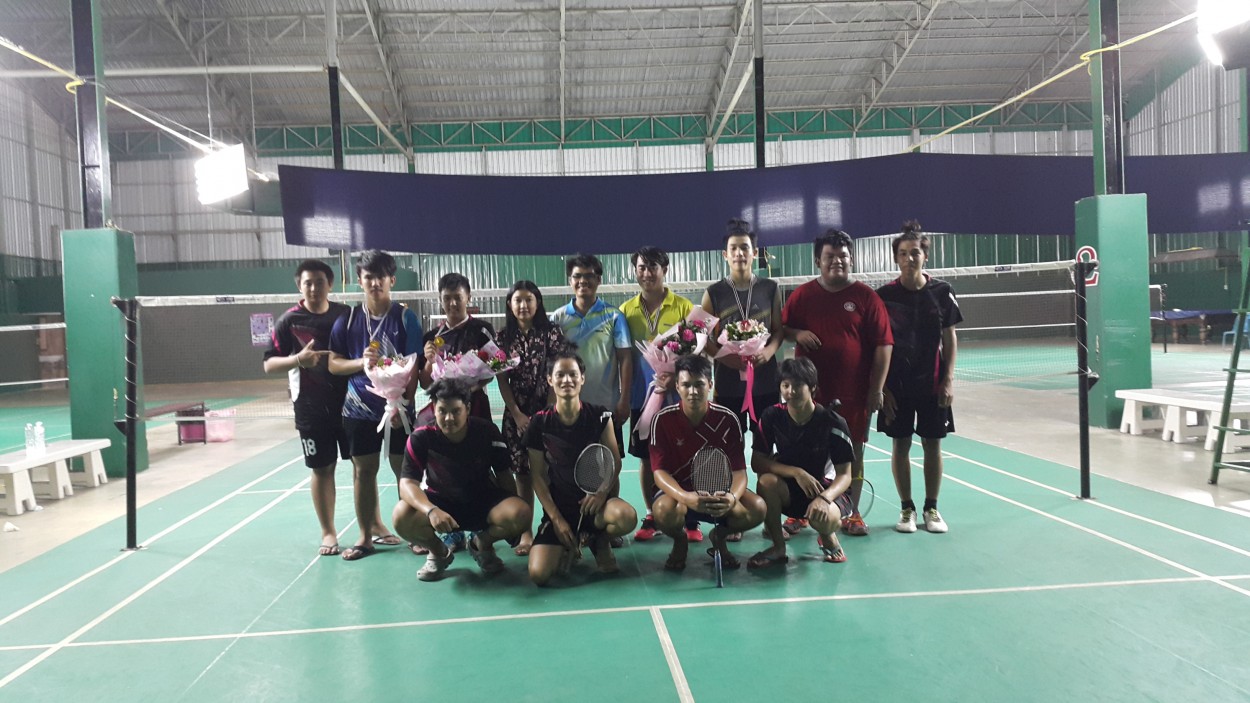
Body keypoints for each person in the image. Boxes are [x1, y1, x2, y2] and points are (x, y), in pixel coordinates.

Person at [781, 230, 892, 536]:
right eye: (829, 256)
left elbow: (884, 345)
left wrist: (876, 389)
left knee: (853, 453)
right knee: (804, 451)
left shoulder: (867, 298)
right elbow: (783, 329)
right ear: (818, 260)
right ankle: (799, 512)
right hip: (808, 396)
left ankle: (852, 513)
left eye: (843, 256)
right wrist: (797, 334)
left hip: (854, 393)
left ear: (851, 259)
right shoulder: (802, 296)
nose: (837, 261)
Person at [328, 249, 423, 561]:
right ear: (360, 280)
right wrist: (360, 362)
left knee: (404, 471)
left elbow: (414, 365)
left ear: (391, 280)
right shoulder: (348, 319)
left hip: (399, 409)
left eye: (381, 277)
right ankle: (366, 537)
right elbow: (333, 364)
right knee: (364, 471)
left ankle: (414, 533)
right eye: (368, 277)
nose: (375, 283)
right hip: (358, 408)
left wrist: (402, 403)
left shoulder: (406, 318)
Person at [392, 378, 532, 582]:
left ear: (467, 408)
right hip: (441, 505)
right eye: (442, 411)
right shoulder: (421, 437)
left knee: (521, 512)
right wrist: (431, 511)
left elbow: (504, 475)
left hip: (483, 502)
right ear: (434, 408)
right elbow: (407, 484)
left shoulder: (487, 432)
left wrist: (513, 525)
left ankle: (481, 544)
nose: (449, 418)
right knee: (401, 516)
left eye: (456, 411)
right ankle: (438, 552)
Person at [876, 221, 962, 534]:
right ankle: (906, 509)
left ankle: (931, 508)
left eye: (915, 252)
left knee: (932, 445)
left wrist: (948, 380)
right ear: (896, 258)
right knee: (900, 445)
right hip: (897, 387)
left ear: (925, 256)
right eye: (903, 253)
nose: (909, 258)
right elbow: (878, 345)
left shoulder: (942, 292)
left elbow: (950, 338)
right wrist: (883, 388)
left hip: (932, 384)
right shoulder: (884, 296)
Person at [525, 350, 638, 585]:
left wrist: (601, 493)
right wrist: (556, 519)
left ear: (582, 378)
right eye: (560, 375)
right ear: (550, 380)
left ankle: (599, 540)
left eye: (573, 374)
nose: (567, 380)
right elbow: (537, 476)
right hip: (560, 507)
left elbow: (614, 461)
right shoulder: (539, 422)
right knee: (539, 574)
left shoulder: (599, 416)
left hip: (595, 504)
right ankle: (569, 541)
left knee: (626, 517)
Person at [262, 260, 350, 556]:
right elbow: (269, 364)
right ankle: (328, 532)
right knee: (322, 469)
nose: (313, 288)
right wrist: (298, 359)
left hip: (351, 405)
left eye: (319, 282)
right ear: (299, 285)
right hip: (311, 409)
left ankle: (373, 525)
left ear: (330, 284)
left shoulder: (345, 314)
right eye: (308, 282)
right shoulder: (288, 321)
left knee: (364, 468)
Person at [702, 218, 782, 542]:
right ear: (725, 254)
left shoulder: (771, 288)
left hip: (766, 385)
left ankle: (771, 518)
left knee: (764, 452)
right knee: (729, 452)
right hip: (728, 387)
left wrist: (768, 352)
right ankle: (734, 515)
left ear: (754, 252)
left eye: (745, 248)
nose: (739, 253)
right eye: (733, 248)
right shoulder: (714, 293)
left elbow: (778, 331)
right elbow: (702, 338)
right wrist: (725, 357)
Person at [649, 354, 766, 573]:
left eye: (699, 384)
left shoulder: (728, 419)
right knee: (663, 511)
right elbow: (659, 472)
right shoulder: (662, 419)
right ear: (677, 386)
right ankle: (680, 541)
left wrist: (731, 497)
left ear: (710, 385)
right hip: (680, 494)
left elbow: (739, 472)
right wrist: (686, 497)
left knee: (757, 508)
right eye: (686, 385)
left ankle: (719, 537)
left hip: (717, 492)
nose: (693, 391)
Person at [618, 246, 702, 544]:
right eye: (641, 267)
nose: (647, 273)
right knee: (645, 458)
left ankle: (690, 518)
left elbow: (695, 353)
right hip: (642, 399)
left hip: (679, 399)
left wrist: (674, 377)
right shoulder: (625, 311)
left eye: (653, 267)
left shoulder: (683, 307)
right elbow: (623, 357)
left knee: (685, 455)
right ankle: (652, 514)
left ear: (664, 269)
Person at [749, 358, 855, 568]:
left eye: (798, 385)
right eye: (785, 385)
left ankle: (828, 536)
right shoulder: (772, 416)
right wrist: (797, 472)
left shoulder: (833, 422)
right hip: (791, 489)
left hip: (827, 490)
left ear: (813, 387)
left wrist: (824, 498)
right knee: (766, 481)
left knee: (825, 517)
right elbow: (757, 462)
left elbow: (845, 475)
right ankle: (778, 547)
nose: (791, 391)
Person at [496, 280, 568, 556]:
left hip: (547, 413)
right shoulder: (503, 338)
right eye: (518, 300)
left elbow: (557, 372)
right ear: (510, 304)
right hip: (517, 416)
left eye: (529, 300)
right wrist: (516, 414)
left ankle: (551, 525)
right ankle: (525, 533)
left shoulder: (552, 333)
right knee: (523, 475)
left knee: (549, 473)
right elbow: (501, 379)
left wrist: (546, 413)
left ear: (538, 303)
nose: (523, 305)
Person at [550, 253, 633, 452]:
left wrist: (624, 399)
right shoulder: (558, 318)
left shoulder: (614, 316)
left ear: (599, 280)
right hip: (569, 407)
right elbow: (551, 362)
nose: (583, 281)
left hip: (606, 406)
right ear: (570, 280)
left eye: (589, 276)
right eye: (577, 276)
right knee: (569, 462)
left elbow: (625, 359)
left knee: (609, 463)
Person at [418, 272, 497, 420]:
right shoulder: (431, 338)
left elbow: (491, 372)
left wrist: (469, 390)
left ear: (468, 298)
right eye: (447, 298)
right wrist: (429, 360)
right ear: (440, 300)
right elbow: (424, 384)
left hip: (476, 407)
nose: (452, 303)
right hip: (443, 411)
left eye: (458, 297)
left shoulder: (482, 330)